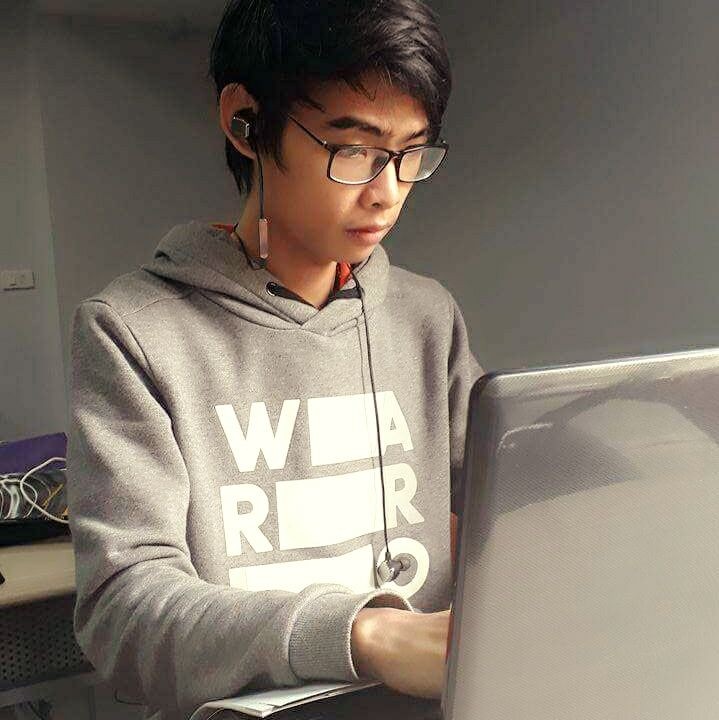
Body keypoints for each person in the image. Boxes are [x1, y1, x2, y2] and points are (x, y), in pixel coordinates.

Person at [66, 1, 482, 719]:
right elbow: (124, 617)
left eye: (409, 154)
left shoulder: (426, 318)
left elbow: (513, 510)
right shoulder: (131, 331)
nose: (386, 192)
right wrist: (365, 635)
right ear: (246, 122)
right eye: (352, 149)